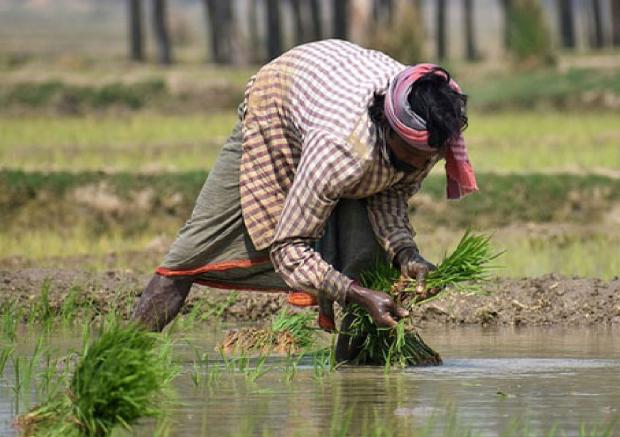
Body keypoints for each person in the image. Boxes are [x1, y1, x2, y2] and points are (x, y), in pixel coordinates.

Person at [131, 39, 477, 359]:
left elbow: (392, 190)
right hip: (278, 104)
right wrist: (356, 293)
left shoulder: (424, 136)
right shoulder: (340, 149)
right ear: (387, 128)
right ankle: (122, 355)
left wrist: (406, 253)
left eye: (427, 158)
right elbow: (290, 247)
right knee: (192, 253)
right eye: (412, 156)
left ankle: (353, 373)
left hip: (329, 90)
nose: (419, 166)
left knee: (369, 261)